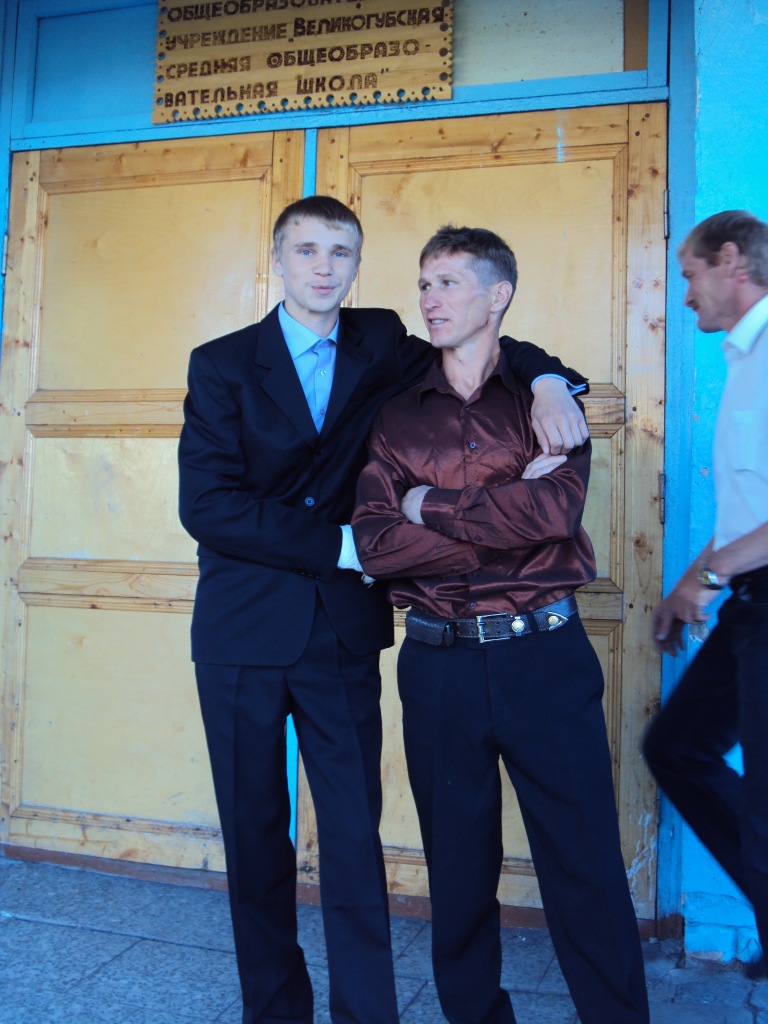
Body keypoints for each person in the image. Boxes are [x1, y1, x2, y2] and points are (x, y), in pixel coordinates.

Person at [177, 196, 590, 1024]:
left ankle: (366, 1015)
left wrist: (550, 379)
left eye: (340, 252)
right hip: (242, 629)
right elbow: (207, 506)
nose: (323, 267)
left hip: (340, 631)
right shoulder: (221, 363)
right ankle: (275, 1011)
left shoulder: (382, 341)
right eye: (306, 250)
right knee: (255, 835)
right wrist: (344, 545)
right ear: (278, 260)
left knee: (353, 839)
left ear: (357, 265)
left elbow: (481, 338)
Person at [352, 225, 649, 1024]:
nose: (429, 299)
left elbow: (554, 513)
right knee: (456, 872)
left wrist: (430, 507)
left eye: (449, 282)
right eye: (424, 283)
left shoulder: (549, 403)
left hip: (542, 659)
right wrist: (500, 519)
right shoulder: (394, 415)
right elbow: (376, 543)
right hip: (438, 664)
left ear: (498, 296)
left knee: (584, 865)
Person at [643, 210, 768, 977]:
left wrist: (710, 579)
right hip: (749, 599)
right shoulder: (744, 356)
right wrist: (693, 584)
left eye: (690, 275)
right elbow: (747, 510)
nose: (685, 294)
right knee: (677, 746)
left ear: (731, 260)